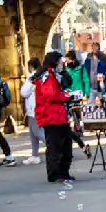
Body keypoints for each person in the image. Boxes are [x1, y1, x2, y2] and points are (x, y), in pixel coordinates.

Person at [33, 51, 75, 184]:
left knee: (65, 145)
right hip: (51, 116)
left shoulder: (54, 75)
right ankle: (54, 173)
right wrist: (67, 98)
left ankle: (63, 172)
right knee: (55, 147)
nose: (63, 64)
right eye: (60, 62)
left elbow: (66, 84)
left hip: (58, 115)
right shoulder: (47, 76)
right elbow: (51, 95)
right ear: (54, 62)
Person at [20, 57, 45, 165]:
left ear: (31, 66)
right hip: (36, 107)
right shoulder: (42, 75)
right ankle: (34, 155)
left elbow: (24, 92)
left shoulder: (32, 77)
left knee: (36, 132)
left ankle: (54, 146)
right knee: (32, 133)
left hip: (33, 108)